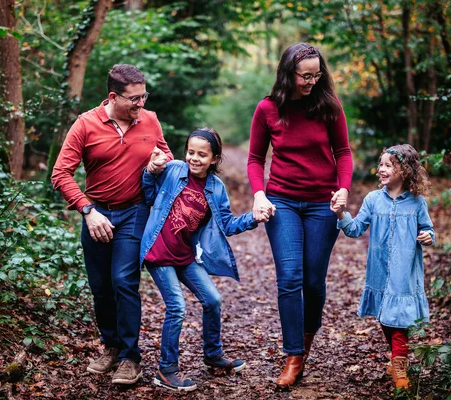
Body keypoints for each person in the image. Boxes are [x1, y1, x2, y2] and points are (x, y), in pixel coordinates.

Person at [51, 64, 173, 385]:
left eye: (143, 96)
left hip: (135, 212)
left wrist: (160, 164)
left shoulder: (149, 119)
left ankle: (131, 357)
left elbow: (167, 157)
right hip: (98, 215)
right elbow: (60, 173)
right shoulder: (86, 125)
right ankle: (111, 346)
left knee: (123, 280)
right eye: (134, 99)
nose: (141, 104)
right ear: (113, 96)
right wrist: (88, 211)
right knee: (101, 286)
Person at [247, 42, 353, 387]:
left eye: (316, 74)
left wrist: (344, 188)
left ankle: (306, 341)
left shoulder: (329, 106)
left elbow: (344, 152)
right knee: (290, 279)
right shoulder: (267, 109)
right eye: (304, 76)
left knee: (313, 282)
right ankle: (293, 356)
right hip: (283, 203)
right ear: (287, 73)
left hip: (324, 205)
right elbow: (254, 159)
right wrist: (259, 194)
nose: (311, 81)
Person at [140, 128, 269, 392]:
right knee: (176, 306)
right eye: (191, 152)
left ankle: (212, 354)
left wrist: (253, 217)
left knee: (213, 299)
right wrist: (150, 171)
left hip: (184, 256)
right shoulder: (173, 170)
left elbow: (227, 225)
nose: (194, 158)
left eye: (201, 154)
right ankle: (166, 370)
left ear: (214, 159)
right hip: (158, 253)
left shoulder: (216, 188)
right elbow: (149, 195)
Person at [330, 144, 435, 389]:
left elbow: (428, 229)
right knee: (387, 319)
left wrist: (428, 236)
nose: (381, 169)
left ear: (405, 170)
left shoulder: (418, 203)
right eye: (381, 164)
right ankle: (397, 357)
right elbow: (355, 230)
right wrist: (341, 213)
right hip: (378, 271)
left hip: (404, 271)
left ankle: (400, 365)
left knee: (400, 320)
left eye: (389, 165)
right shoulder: (373, 200)